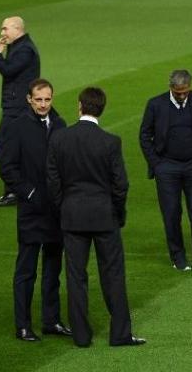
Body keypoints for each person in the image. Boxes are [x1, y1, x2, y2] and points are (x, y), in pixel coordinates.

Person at [46, 87, 145, 347]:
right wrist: (118, 214)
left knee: (76, 277)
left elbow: (53, 182)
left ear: (80, 106)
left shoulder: (59, 139)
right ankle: (120, 334)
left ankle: (81, 336)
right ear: (101, 108)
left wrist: (63, 208)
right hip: (104, 217)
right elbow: (120, 185)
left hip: (72, 216)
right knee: (113, 275)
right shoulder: (110, 142)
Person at [0, 78, 70, 342]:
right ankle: (23, 325)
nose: (43, 104)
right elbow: (7, 167)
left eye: (47, 99)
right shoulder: (17, 127)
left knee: (53, 269)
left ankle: (51, 321)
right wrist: (28, 193)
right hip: (31, 210)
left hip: (56, 210)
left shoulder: (61, 124)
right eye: (38, 99)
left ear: (52, 98)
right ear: (29, 99)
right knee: (26, 271)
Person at [139, 70, 192, 271]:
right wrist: (156, 164)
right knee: (172, 214)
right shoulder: (155, 104)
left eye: (185, 92)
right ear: (170, 87)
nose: (182, 96)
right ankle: (178, 258)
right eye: (178, 92)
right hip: (167, 167)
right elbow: (144, 135)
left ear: (190, 86)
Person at [0, 16, 40, 207]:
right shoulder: (19, 47)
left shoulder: (25, 49)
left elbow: (9, 71)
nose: (2, 33)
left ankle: (16, 190)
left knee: (4, 147)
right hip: (16, 105)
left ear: (17, 29)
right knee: (14, 149)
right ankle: (18, 189)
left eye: (5, 29)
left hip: (17, 108)